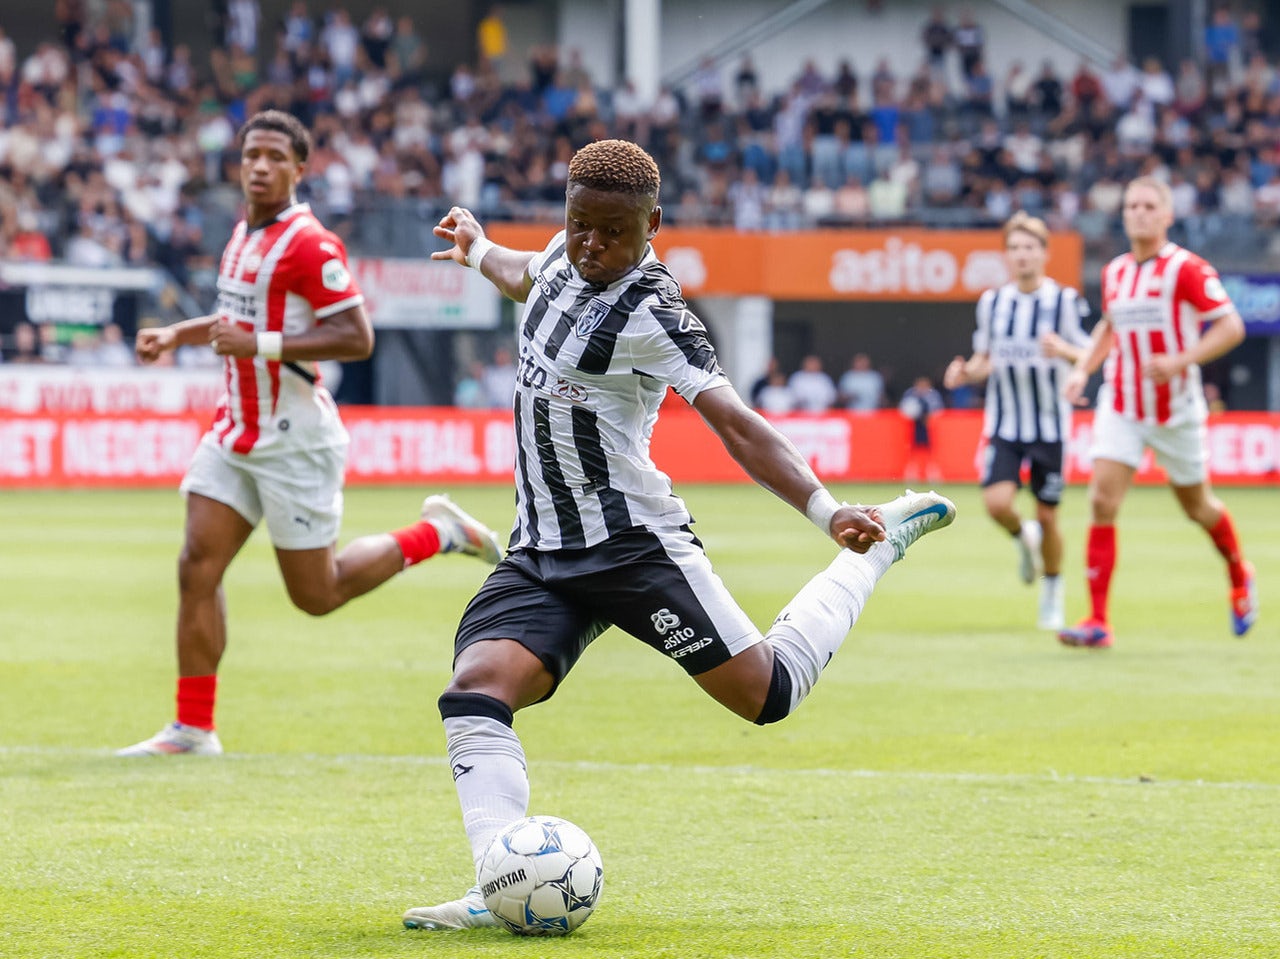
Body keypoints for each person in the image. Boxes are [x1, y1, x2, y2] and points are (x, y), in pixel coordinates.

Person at [401, 139, 956, 931]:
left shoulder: (658, 315)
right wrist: (478, 247)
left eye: (613, 232)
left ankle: (878, 549)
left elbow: (738, 424)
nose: (592, 244)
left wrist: (826, 508)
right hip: (543, 548)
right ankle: (500, 879)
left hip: (634, 545)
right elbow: (525, 272)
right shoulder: (565, 254)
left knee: (767, 694)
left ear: (652, 225)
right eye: (580, 223)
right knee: (476, 689)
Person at [117, 111, 502, 758]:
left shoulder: (311, 243)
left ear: (300, 168)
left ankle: (437, 532)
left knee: (317, 593)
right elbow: (237, 316)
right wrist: (178, 334)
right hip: (236, 427)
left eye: (274, 156)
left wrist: (259, 344)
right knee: (196, 566)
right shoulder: (244, 233)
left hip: (294, 436)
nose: (260, 166)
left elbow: (357, 336)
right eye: (250, 155)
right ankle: (192, 728)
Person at [1057, 176, 1256, 648]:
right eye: (1132, 206)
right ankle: (1098, 620)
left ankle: (1238, 571)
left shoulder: (1186, 269)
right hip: (1122, 403)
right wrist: (1083, 369)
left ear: (1167, 215)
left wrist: (1180, 361)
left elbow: (1231, 327)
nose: (1139, 213)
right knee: (1102, 501)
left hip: (1177, 410)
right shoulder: (1115, 272)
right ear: (1123, 214)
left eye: (1149, 206)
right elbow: (1110, 325)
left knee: (1197, 507)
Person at [943, 211, 1091, 630]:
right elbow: (984, 360)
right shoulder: (993, 303)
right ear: (1006, 256)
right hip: (1005, 425)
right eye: (1014, 248)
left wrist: (1062, 349)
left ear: (1044, 254)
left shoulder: (1063, 301)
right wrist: (965, 373)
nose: (1022, 255)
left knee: (1049, 517)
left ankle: (1053, 588)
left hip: (1050, 427)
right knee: (996, 504)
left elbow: (1089, 353)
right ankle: (1023, 540)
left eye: (1029, 248)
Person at [898, 376, 945, 482]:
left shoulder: (933, 395)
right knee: (913, 451)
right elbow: (903, 410)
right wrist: (912, 416)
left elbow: (938, 410)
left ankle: (933, 475)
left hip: (929, 428)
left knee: (930, 452)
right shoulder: (910, 394)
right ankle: (911, 475)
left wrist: (929, 418)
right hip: (914, 427)